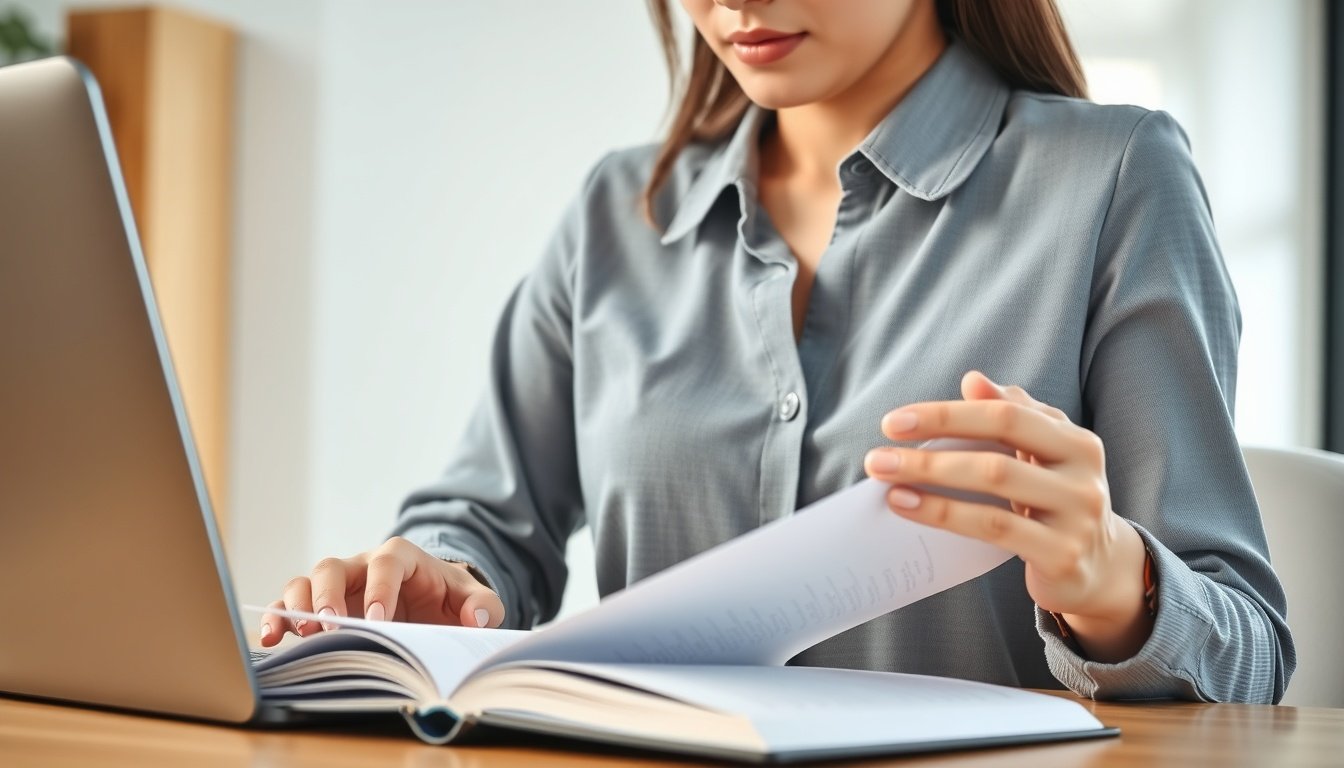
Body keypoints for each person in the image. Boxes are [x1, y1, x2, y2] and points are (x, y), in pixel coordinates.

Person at [260, 0, 1294, 704]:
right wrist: (443, 577)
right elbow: (486, 523)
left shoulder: (1115, 180)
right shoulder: (619, 215)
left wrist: (1116, 581)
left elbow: (1250, 654)